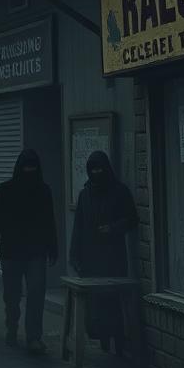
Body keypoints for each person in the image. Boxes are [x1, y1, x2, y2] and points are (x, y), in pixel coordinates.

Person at [0, 147, 58, 355]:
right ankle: (12, 326)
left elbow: (49, 222)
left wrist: (52, 247)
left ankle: (34, 336)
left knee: (36, 294)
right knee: (12, 295)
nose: (29, 170)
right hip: (11, 251)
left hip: (35, 251)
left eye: (32, 167)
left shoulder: (43, 191)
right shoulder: (6, 190)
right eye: (26, 167)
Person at [69, 149, 138, 356]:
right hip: (90, 256)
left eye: (100, 168)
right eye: (93, 169)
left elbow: (131, 219)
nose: (96, 173)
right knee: (95, 303)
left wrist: (113, 228)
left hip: (113, 256)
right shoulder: (85, 194)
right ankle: (103, 339)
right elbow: (78, 227)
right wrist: (75, 256)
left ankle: (117, 340)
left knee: (113, 300)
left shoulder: (120, 191)